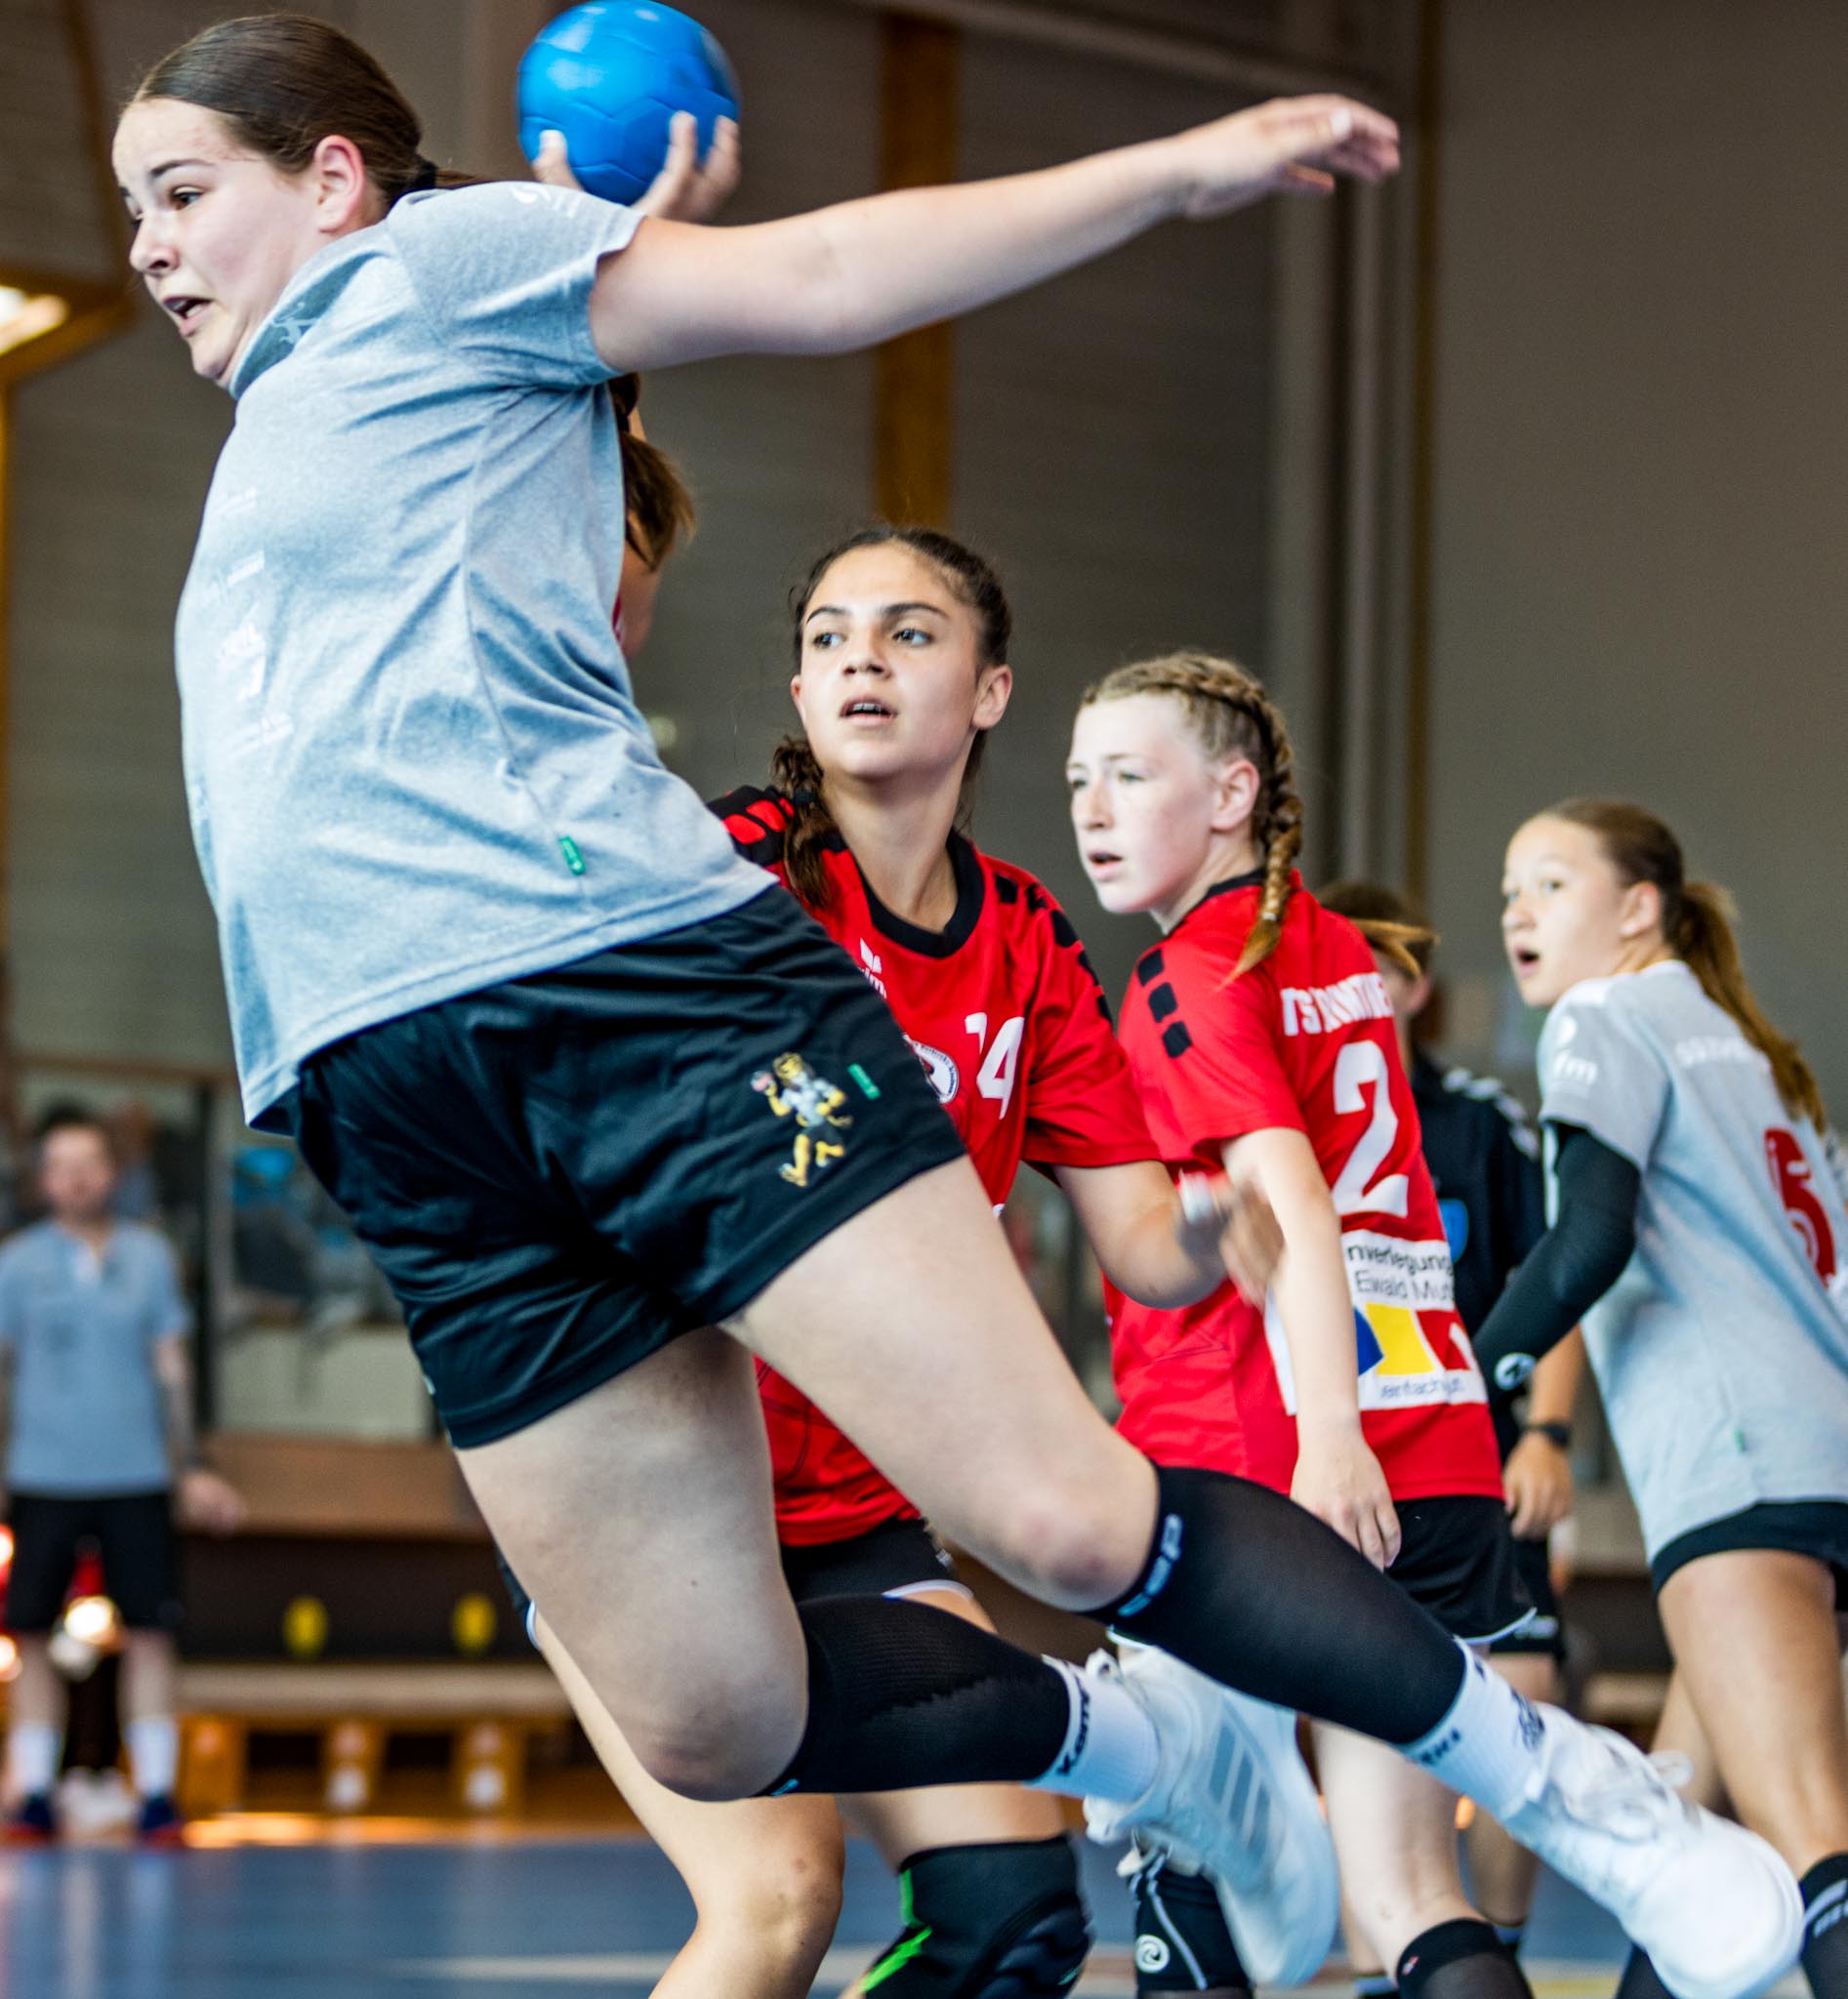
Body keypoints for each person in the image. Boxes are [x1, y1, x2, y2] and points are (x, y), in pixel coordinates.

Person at [110, 22, 1798, 1996]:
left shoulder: (426, 264)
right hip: (390, 1101)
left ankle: (1559, 1781)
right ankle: (1143, 1744)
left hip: (609, 987)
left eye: (180, 193)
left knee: (1061, 1516)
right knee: (711, 1721)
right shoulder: (316, 413)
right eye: (130, 207)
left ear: (330, 179)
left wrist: (1173, 174)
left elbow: (830, 274)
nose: (146, 245)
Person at [518, 525, 1297, 1998]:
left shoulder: (1028, 945)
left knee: (1015, 1921)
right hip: (654, 1495)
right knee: (776, 1902)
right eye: (827, 635)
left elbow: (1141, 1244)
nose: (859, 658)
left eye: (908, 631)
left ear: (991, 691)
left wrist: (1214, 1218)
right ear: (800, 694)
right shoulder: (723, 873)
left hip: (854, 1516)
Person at [1068, 658, 1546, 1999]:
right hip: (1434, 1451)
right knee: (1409, 1897)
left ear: (1233, 794)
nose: (1092, 808)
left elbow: (1296, 1207)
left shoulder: (1188, 976)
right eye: (1079, 778)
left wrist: (1330, 1431)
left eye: (1130, 775)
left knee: (1191, 1847)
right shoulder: (1335, 952)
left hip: (1265, 1467)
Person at [1471, 800, 1848, 1999]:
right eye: (1508, 891)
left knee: (1815, 1844)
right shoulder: (1757, 1053)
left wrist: (1471, 1378)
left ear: (1640, 908)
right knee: (1682, 1856)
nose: (1518, 912)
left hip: (1741, 1473)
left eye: (1550, 884)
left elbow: (1588, 1238)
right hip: (1819, 1461)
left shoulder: (1607, 1014)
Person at [1320, 878, 1586, 1974]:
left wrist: (1547, 1436)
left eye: (1375, 966)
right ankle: (1392, 1968)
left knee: (1520, 1705)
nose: (1353, 984)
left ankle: (1501, 1950)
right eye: (1332, 963)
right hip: (1342, 1469)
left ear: (1415, 986)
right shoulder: (1287, 1115)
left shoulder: (1475, 1121)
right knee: (1366, 1736)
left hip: (1474, 1460)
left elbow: (1561, 1277)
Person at [0, 1106, 243, 1842]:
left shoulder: (150, 1257)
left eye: (89, 1164)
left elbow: (171, 1366)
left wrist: (190, 1463)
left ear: (113, 1173)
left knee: (150, 1631)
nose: (76, 1179)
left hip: (136, 1475)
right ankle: (34, 1792)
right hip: (42, 1475)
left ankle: (158, 1794)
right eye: (61, 1166)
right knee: (30, 1633)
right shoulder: (18, 1264)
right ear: (44, 1180)